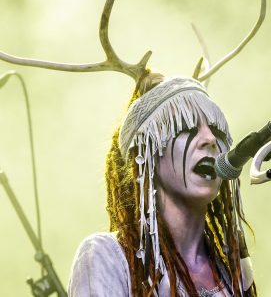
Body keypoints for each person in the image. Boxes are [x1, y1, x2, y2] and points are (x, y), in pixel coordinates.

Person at [68, 76, 256, 297]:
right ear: (148, 154)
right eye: (186, 128)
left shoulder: (228, 269)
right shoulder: (106, 255)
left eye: (217, 129)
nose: (209, 139)